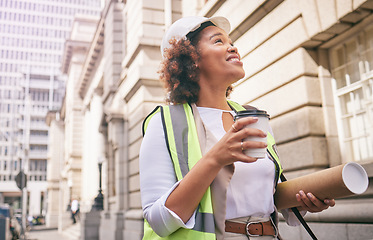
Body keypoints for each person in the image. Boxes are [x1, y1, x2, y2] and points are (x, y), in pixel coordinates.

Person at [139, 16, 335, 240]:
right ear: (191, 60)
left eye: (231, 41)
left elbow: (265, 194)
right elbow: (158, 222)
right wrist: (215, 159)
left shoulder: (252, 116)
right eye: (218, 41)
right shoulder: (164, 122)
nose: (232, 47)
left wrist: (302, 202)